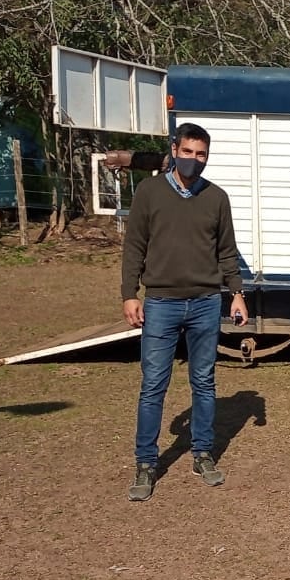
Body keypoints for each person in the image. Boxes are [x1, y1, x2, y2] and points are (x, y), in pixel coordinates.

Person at [110, 122, 248, 502]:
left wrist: (236, 293)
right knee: (154, 384)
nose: (193, 160)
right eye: (187, 152)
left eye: (200, 154)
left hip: (205, 303)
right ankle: (146, 462)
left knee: (203, 382)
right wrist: (129, 294)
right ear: (174, 150)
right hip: (161, 302)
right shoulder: (150, 193)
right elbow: (134, 247)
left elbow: (226, 252)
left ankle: (203, 453)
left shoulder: (216, 198)